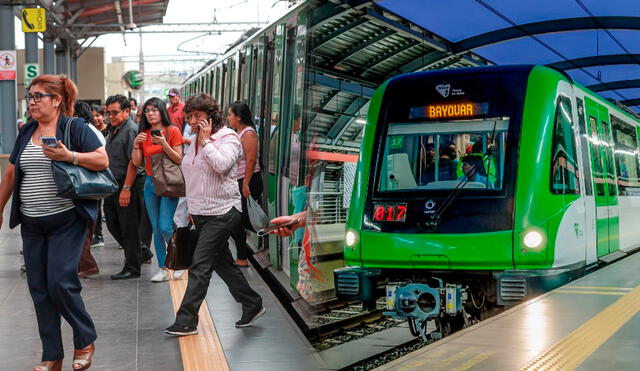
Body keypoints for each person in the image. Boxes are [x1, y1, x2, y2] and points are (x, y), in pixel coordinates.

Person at [0, 74, 105, 371]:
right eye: (29, 97)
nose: (31, 102)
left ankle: (85, 339)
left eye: (38, 97)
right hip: (32, 223)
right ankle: (52, 356)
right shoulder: (27, 131)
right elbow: (11, 172)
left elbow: (102, 161)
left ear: (57, 100)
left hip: (66, 219)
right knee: (39, 288)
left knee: (60, 281)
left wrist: (69, 155)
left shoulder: (75, 127)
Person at [165, 93, 264, 336]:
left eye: (197, 116)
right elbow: (192, 173)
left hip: (223, 211)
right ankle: (252, 304)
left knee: (200, 265)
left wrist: (207, 141)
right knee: (224, 265)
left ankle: (186, 320)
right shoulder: (196, 139)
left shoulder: (227, 137)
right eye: (189, 117)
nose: (192, 121)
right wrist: (190, 209)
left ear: (211, 115)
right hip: (201, 213)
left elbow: (223, 166)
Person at [132, 97, 183, 282]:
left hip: (169, 183)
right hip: (150, 184)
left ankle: (178, 261)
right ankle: (163, 267)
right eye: (147, 110)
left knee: (165, 226)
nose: (150, 113)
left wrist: (163, 144)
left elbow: (178, 158)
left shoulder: (172, 131)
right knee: (155, 227)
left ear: (162, 111)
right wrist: (136, 144)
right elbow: (136, 161)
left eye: (154, 110)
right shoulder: (144, 134)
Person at [103, 95, 146, 280]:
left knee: (128, 227)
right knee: (112, 223)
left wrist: (126, 189)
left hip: (127, 184)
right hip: (113, 184)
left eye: (114, 112)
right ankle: (140, 252)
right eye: (108, 113)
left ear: (127, 111)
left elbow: (134, 164)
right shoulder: (114, 129)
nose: (110, 116)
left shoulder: (130, 131)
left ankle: (132, 267)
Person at [227, 101, 262, 268]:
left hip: (249, 180)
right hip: (240, 180)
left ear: (239, 117)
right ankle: (242, 257)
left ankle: (243, 256)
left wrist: (246, 184)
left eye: (230, 115)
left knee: (240, 219)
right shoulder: (238, 132)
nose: (228, 118)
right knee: (237, 220)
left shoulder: (248, 134)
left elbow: (251, 160)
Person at [74, 101, 104, 279]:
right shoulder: (92, 130)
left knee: (84, 227)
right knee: (85, 225)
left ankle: (87, 265)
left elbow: (99, 159)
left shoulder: (86, 131)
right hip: (88, 184)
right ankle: (84, 264)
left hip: (87, 185)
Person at [89, 105, 108, 247]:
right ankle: (98, 235)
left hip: (105, 172)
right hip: (96, 173)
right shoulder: (90, 131)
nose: (96, 118)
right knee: (97, 205)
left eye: (98, 115)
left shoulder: (108, 130)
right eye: (93, 116)